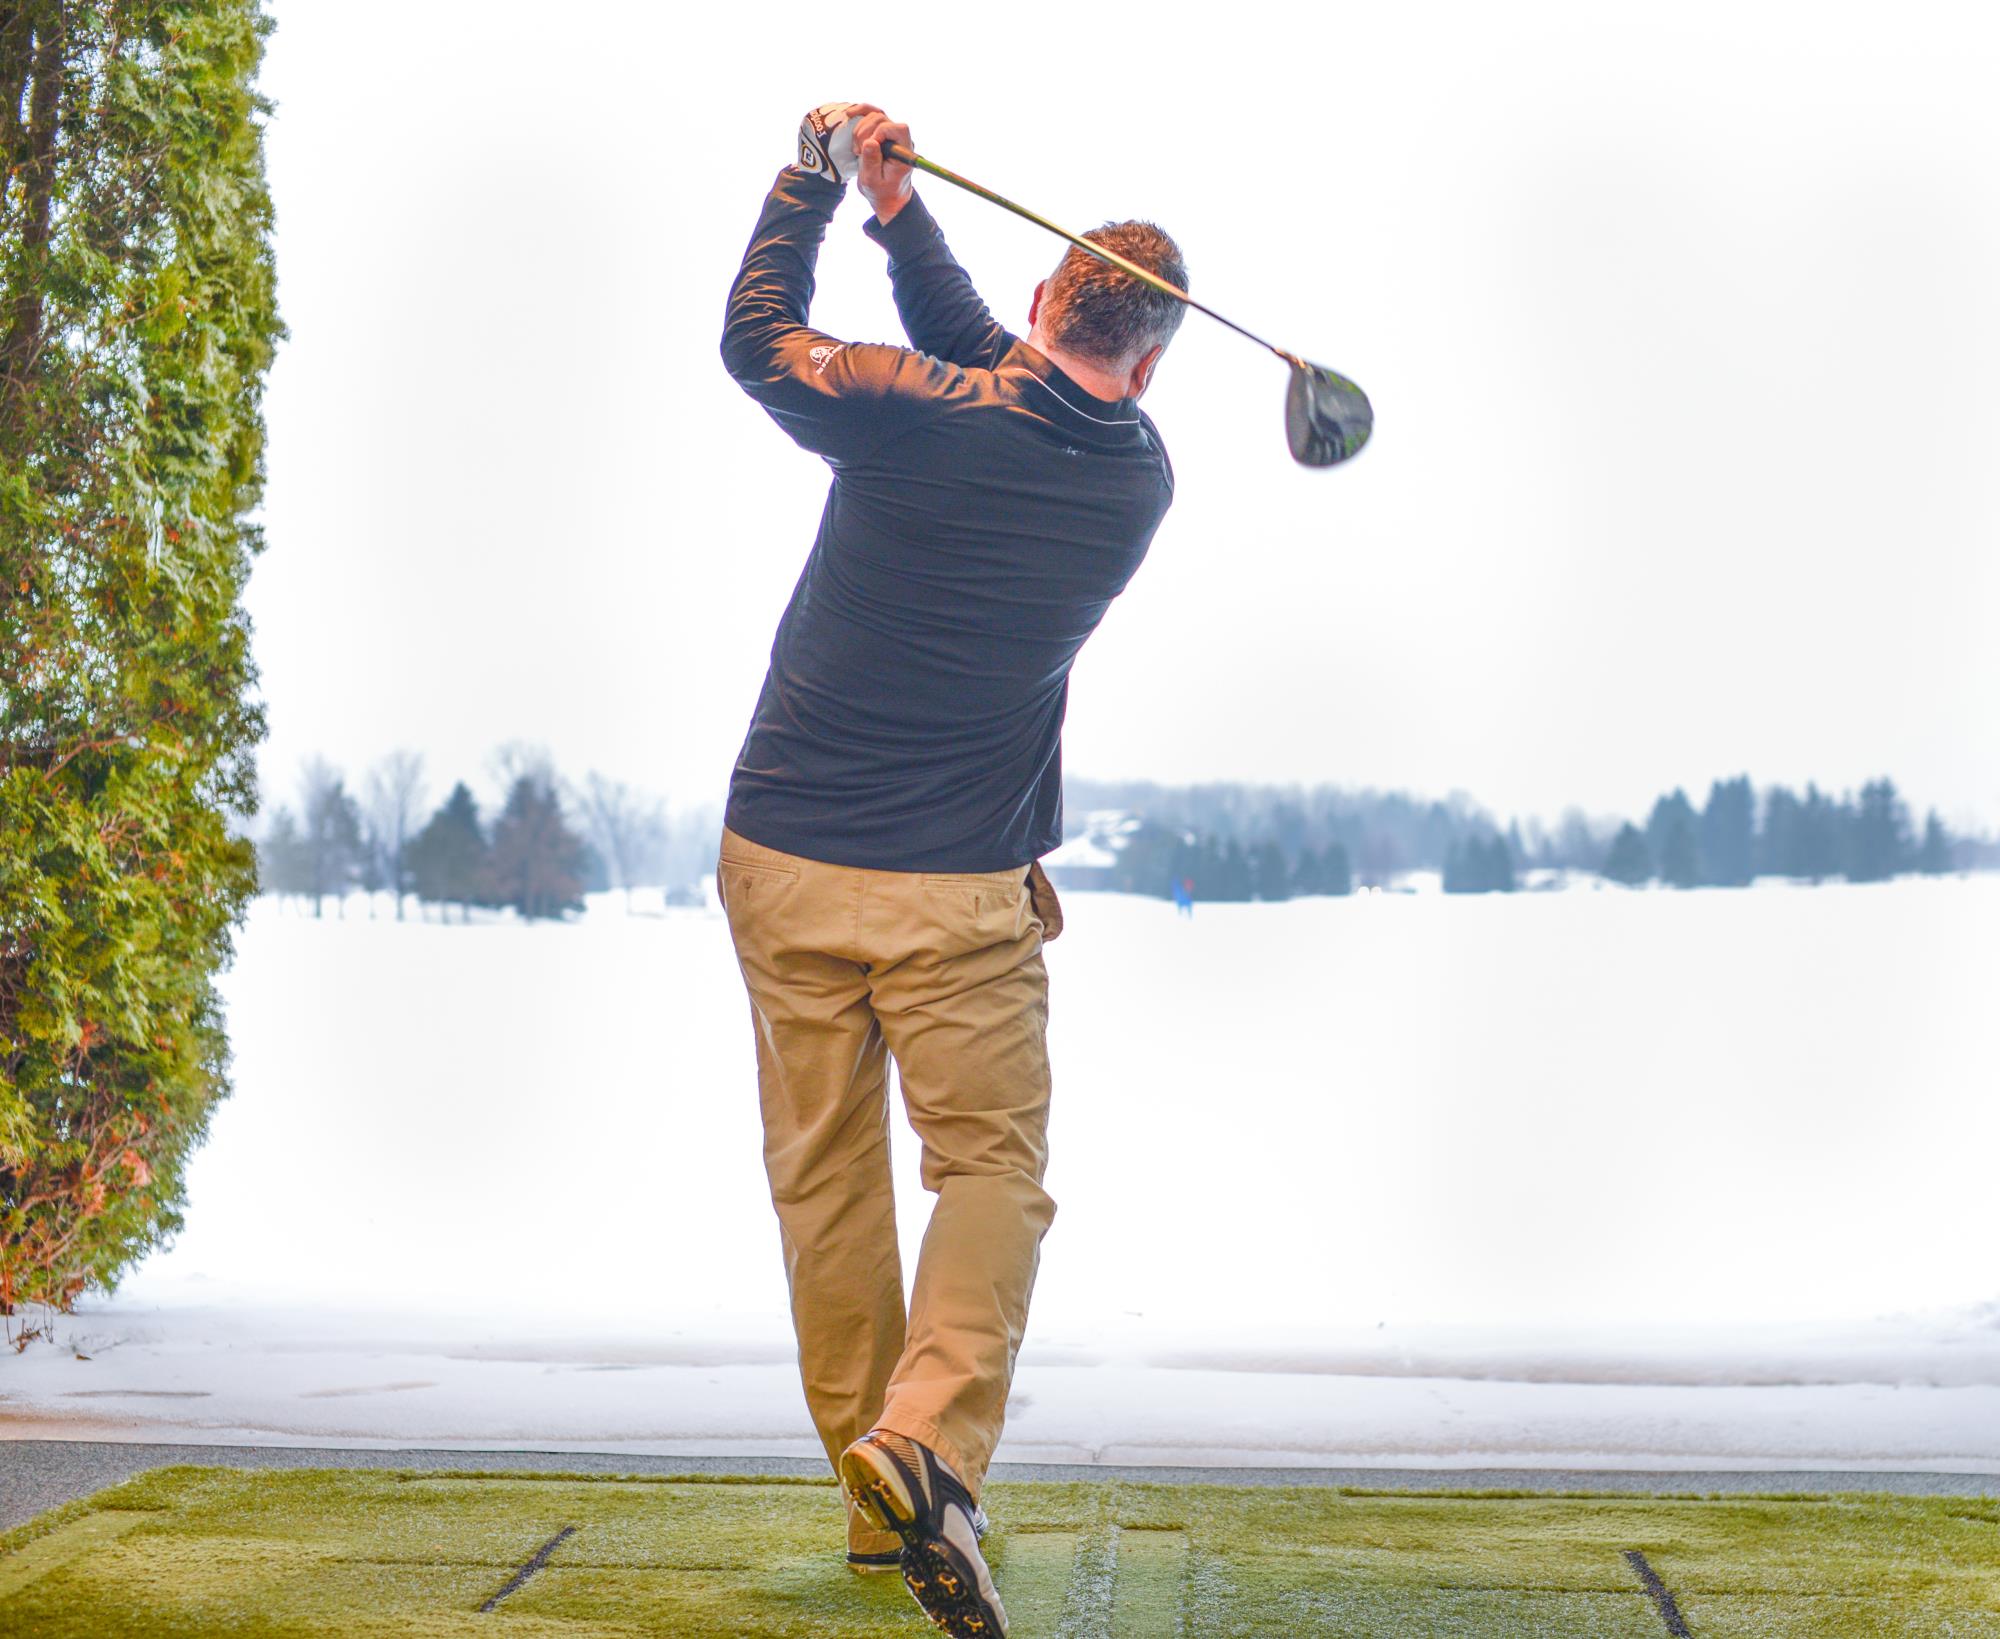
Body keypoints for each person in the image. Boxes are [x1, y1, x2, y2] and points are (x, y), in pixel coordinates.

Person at [716, 101, 1186, 1639]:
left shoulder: (918, 409)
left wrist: (810, 178)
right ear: (1153, 360)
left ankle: (878, 1505)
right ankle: (922, 1452)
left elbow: (759, 337)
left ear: (1054, 298)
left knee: (825, 1183)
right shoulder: (1136, 482)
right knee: (989, 1173)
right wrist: (903, 218)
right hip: (961, 899)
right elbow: (1008, 373)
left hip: (784, 855)